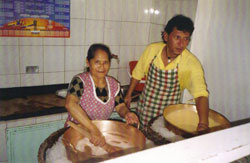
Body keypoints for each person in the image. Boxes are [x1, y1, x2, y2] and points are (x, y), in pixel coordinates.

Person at [125, 14, 209, 132]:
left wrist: (203, 123)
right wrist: (128, 95)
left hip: (167, 118)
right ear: (166, 36)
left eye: (186, 39)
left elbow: (201, 95)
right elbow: (137, 73)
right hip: (143, 110)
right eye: (177, 37)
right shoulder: (152, 50)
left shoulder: (191, 63)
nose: (181, 44)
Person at [65, 43, 139, 149]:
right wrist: (92, 129)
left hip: (99, 135)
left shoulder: (113, 84)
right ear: (88, 62)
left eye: (105, 62)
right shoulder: (80, 81)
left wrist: (127, 113)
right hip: (77, 134)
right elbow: (70, 104)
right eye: (97, 62)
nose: (102, 67)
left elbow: (120, 106)